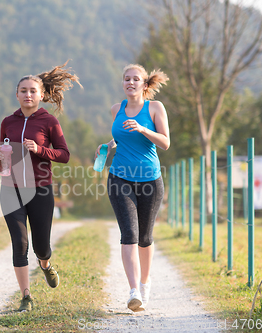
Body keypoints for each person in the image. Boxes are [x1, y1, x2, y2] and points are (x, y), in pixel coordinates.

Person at [0, 62, 81, 312]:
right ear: (17, 94)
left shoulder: (49, 121)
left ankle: (45, 264)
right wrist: (2, 157)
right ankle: (26, 296)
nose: (28, 94)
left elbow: (64, 155)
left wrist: (39, 149)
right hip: (11, 189)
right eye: (23, 90)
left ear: (41, 94)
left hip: (41, 189)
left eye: (33, 90)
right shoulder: (7, 122)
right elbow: (3, 160)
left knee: (41, 246)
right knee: (19, 243)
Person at [96, 64, 170, 312]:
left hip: (150, 180)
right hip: (120, 178)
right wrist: (107, 146)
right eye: (126, 79)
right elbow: (121, 136)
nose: (130, 82)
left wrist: (143, 128)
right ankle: (133, 292)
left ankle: (145, 284)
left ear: (144, 84)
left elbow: (166, 143)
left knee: (145, 238)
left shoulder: (155, 108)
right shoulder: (116, 109)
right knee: (129, 234)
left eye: (135, 79)